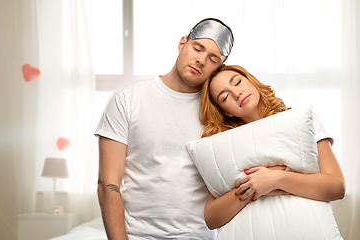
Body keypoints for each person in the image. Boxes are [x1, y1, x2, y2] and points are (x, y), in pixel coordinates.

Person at [94, 18, 234, 239]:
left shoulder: (219, 113)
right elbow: (108, 184)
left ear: (219, 67)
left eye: (212, 59)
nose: (200, 60)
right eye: (197, 48)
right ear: (182, 44)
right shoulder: (128, 98)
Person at [199, 65, 345, 233]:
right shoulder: (226, 146)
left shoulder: (301, 122)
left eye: (238, 82)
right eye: (225, 97)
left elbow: (336, 186)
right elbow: (211, 218)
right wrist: (253, 186)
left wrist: (275, 179)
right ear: (226, 112)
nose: (236, 93)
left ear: (251, 81)